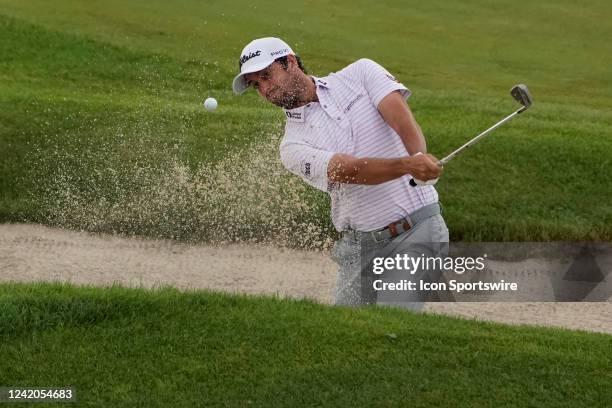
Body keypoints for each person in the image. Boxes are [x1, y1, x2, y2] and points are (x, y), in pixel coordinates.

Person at [232, 37, 449, 311]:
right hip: (359, 249)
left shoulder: (360, 73)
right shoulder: (292, 146)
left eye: (266, 75)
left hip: (416, 232)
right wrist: (407, 166)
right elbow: (349, 171)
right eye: (255, 84)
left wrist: (418, 157)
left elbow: (401, 117)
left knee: (394, 325)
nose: (264, 89)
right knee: (346, 335)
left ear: (289, 62)